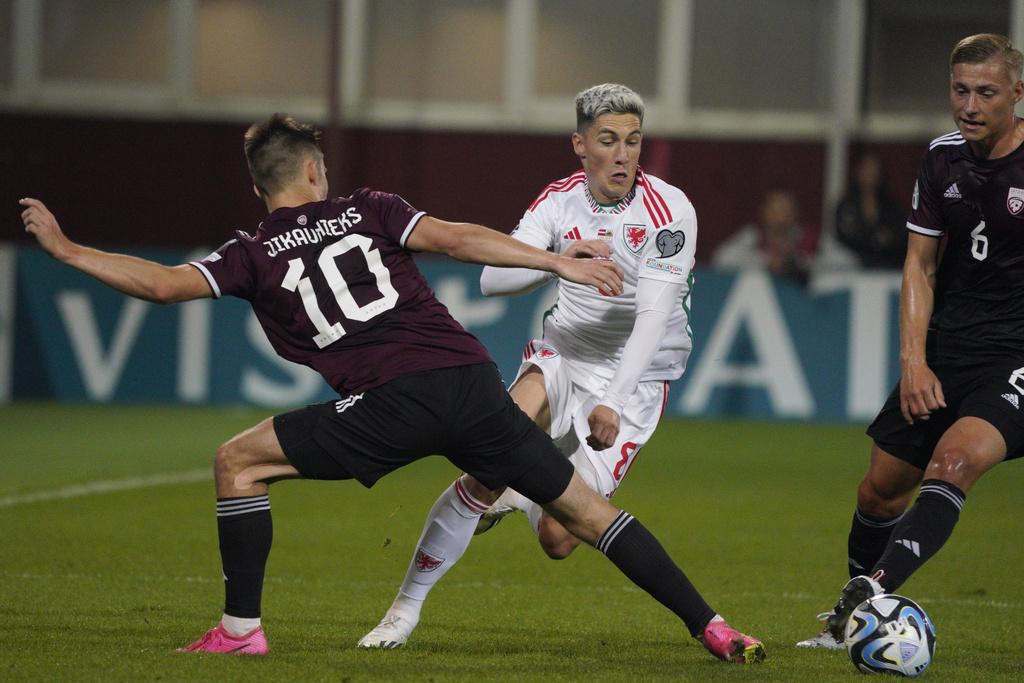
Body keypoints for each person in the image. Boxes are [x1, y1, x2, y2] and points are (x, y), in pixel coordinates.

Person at [19, 113, 763, 663]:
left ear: (257, 187)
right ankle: (713, 626)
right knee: (589, 515)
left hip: (390, 404)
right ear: (316, 171)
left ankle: (241, 632)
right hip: (470, 383)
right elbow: (459, 238)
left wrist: (68, 249)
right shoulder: (369, 207)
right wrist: (557, 262)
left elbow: (159, 284)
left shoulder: (249, 251)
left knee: (237, 463)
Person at [357, 84, 764, 664]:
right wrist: (556, 262)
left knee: (557, 538)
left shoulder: (670, 210)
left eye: (633, 141)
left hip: (635, 382)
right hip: (563, 356)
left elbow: (653, 318)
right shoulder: (558, 202)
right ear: (580, 145)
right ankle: (403, 610)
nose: (623, 155)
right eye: (608, 141)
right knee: (485, 466)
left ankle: (523, 487)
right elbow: (492, 281)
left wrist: (614, 401)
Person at [797, 33, 1024, 650]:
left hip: (1014, 356)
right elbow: (919, 266)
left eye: (986, 92)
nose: (969, 105)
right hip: (948, 347)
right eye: (960, 90)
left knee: (955, 463)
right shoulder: (942, 158)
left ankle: (868, 599)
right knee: (880, 489)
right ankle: (847, 629)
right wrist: (915, 361)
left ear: (1017, 94)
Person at [711, 189, 818, 285]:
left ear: (795, 213)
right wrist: (766, 263)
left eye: (786, 210)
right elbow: (721, 259)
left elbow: (826, 272)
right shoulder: (751, 237)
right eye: (776, 210)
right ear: (764, 212)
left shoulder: (809, 239)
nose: (782, 217)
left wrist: (799, 265)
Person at [834, 153, 906, 269]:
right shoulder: (846, 206)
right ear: (857, 172)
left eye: (874, 170)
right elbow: (844, 237)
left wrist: (882, 241)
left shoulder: (891, 206)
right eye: (866, 170)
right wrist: (873, 239)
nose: (870, 175)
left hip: (888, 266)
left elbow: (900, 235)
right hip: (853, 266)